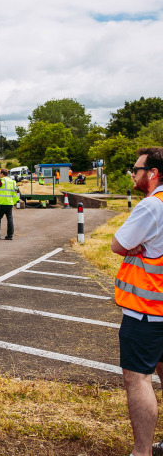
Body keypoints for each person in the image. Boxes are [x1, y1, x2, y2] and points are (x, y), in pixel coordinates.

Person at [111, 147, 163, 456]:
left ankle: (141, 453)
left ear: (153, 173)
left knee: (139, 378)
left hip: (148, 312)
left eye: (137, 168)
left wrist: (137, 246)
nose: (133, 173)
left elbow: (119, 244)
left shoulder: (151, 207)